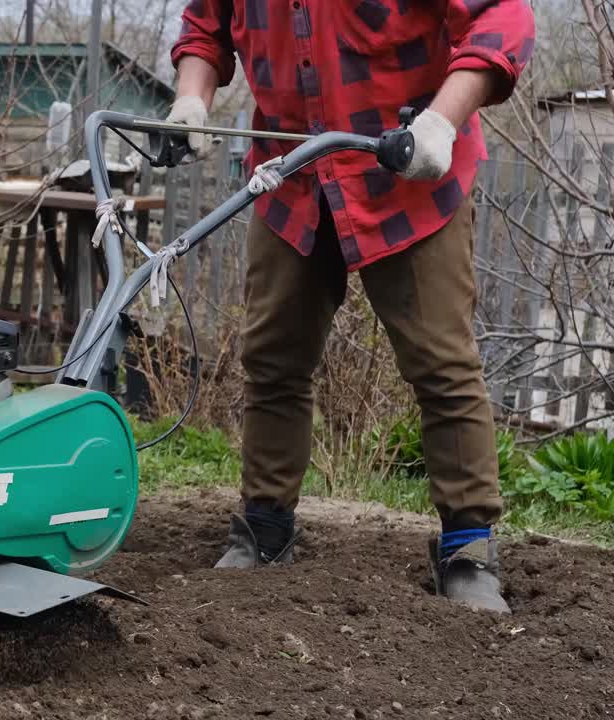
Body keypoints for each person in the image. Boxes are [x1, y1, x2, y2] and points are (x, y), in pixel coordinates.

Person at [166, 0, 535, 612]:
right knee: (273, 358)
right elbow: (206, 25)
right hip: (293, 176)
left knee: (442, 365)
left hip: (408, 173)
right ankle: (265, 526)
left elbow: (504, 18)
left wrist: (442, 121)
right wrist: (192, 97)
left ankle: (469, 547)